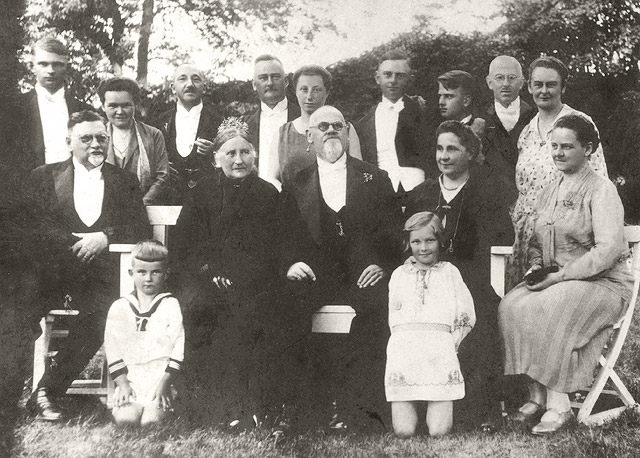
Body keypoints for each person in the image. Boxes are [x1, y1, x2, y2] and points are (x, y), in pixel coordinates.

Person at [499, 114, 633, 435]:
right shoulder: (548, 190)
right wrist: (535, 266)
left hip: (602, 283)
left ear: (587, 149)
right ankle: (537, 394)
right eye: (554, 146)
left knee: (550, 307)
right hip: (556, 278)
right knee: (511, 305)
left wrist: (559, 278)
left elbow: (608, 250)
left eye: (567, 147)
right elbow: (536, 240)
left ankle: (559, 405)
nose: (558, 153)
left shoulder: (602, 190)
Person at [281, 105, 402, 429]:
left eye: (338, 125)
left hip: (362, 274)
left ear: (348, 132)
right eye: (323, 127)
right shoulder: (295, 177)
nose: (331, 131)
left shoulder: (374, 178)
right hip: (316, 273)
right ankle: (304, 410)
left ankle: (361, 411)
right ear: (310, 136)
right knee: (287, 305)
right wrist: (291, 263)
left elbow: (393, 235)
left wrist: (383, 266)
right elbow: (284, 230)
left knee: (378, 307)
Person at [27, 110, 150, 421]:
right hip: (52, 276)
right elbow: (33, 226)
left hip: (101, 281)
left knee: (106, 314)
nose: (96, 144)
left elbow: (139, 229)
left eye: (101, 138)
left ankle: (46, 391)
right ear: (69, 142)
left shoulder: (124, 180)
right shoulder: (43, 176)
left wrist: (104, 237)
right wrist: (70, 241)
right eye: (86, 138)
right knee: (16, 309)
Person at [405, 120, 514, 430]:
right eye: (440, 148)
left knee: (480, 317)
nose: (444, 155)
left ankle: (476, 412)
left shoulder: (487, 190)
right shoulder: (423, 192)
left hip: (471, 278)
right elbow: (407, 241)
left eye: (452, 148)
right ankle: (415, 405)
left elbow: (501, 237)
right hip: (426, 277)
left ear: (470, 152)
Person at [174, 117, 282, 428]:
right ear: (216, 158)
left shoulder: (267, 195)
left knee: (252, 313)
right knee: (197, 309)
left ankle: (248, 407)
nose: (238, 160)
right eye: (231, 153)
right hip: (206, 278)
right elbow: (186, 246)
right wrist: (210, 269)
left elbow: (271, 246)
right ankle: (203, 406)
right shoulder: (201, 193)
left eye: (245, 153)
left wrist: (239, 273)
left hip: (254, 280)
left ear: (254, 156)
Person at [511, 56, 608, 281]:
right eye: (538, 84)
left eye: (551, 84)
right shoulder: (526, 132)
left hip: (567, 239)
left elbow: (598, 180)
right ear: (529, 87)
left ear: (563, 87)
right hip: (527, 238)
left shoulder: (579, 122)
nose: (544, 91)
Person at [386, 212, 475, 438]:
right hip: (405, 358)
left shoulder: (450, 273)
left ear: (440, 241)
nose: (423, 248)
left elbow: (466, 314)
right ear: (408, 243)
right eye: (416, 241)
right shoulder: (399, 274)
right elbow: (394, 320)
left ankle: (435, 412)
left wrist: (448, 344)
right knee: (404, 431)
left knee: (439, 431)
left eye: (430, 240)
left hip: (440, 355)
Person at [105, 240, 184, 427]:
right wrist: (123, 384)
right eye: (142, 272)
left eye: (155, 272)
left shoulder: (170, 305)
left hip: (161, 380)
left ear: (166, 274)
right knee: (126, 420)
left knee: (152, 422)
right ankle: (130, 406)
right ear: (131, 273)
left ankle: (162, 408)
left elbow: (178, 348)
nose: (148, 278)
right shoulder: (120, 307)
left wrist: (164, 384)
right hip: (132, 379)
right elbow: (113, 349)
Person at [265, 65, 362, 189]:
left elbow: (358, 172)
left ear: (326, 93)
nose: (309, 96)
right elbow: (271, 178)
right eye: (304, 89)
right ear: (296, 92)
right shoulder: (283, 133)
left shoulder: (344, 129)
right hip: (291, 205)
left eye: (316, 90)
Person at [355, 50, 436, 191]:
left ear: (410, 79)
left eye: (400, 76)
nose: (393, 80)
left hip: (419, 189)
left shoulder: (425, 112)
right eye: (387, 74)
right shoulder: (364, 122)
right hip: (380, 191)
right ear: (377, 78)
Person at [15, 37, 93, 172]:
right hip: (28, 187)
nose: (50, 70)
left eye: (57, 64)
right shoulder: (13, 108)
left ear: (66, 67)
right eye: (43, 64)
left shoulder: (85, 110)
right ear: (32, 67)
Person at [152, 64, 223, 202]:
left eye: (195, 79)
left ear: (204, 86)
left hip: (209, 199)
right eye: (182, 79)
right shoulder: (159, 123)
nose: (189, 84)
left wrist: (215, 152)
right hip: (169, 200)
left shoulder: (219, 121)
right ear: (173, 88)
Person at [98, 77, 169, 205]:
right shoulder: (96, 136)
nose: (120, 112)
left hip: (143, 210)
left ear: (135, 105)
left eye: (126, 105)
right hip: (104, 210)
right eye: (113, 106)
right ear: (103, 106)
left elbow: (162, 176)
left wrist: (143, 204)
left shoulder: (153, 135)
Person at [482, 55, 535, 190]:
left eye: (512, 78)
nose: (505, 84)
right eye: (499, 78)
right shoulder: (481, 118)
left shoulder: (534, 117)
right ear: (489, 83)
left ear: (522, 82)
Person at [245, 54, 300, 178]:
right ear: (254, 85)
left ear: (286, 81)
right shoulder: (245, 125)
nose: (269, 83)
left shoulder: (304, 117)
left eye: (275, 77)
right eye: (263, 78)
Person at [437, 70, 485, 141]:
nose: (441, 102)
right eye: (440, 96)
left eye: (448, 96)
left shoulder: (484, 132)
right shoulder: (438, 130)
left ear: (466, 101)